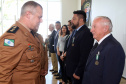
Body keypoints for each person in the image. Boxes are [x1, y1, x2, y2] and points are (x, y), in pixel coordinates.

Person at [0, 1, 43, 84]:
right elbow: (3, 74)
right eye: (39, 17)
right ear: (28, 15)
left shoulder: (30, 34)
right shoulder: (13, 37)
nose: (41, 21)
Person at [82, 16, 125, 84]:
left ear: (105, 28)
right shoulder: (98, 44)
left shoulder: (114, 48)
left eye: (94, 27)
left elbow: (111, 80)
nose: (91, 30)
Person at [66, 10, 94, 84]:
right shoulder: (77, 31)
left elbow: (85, 56)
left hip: (77, 72)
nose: (71, 20)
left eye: (74, 19)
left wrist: (78, 72)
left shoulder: (86, 33)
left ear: (81, 20)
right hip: (72, 70)